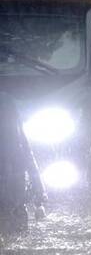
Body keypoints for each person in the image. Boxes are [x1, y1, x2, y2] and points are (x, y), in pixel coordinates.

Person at [0, 93, 46, 231]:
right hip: (15, 208)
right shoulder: (18, 143)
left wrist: (39, 198)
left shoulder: (18, 143)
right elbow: (31, 163)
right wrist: (39, 198)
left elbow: (31, 163)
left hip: (15, 207)